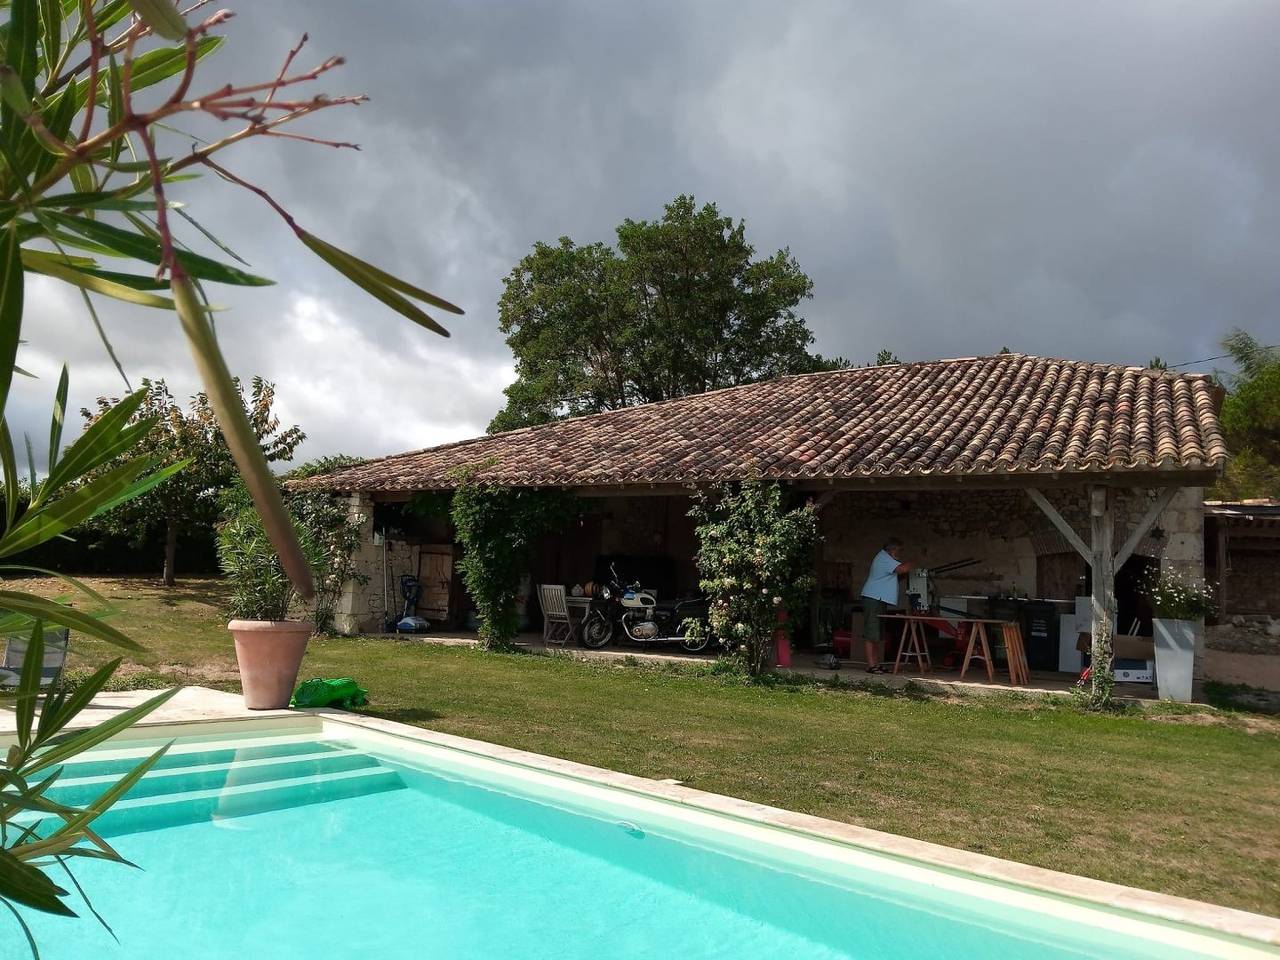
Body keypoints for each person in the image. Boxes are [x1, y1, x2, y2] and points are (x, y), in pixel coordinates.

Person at [859, 537, 913, 673]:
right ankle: (871, 665)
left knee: (877, 634)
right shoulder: (883, 558)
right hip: (873, 598)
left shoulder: (887, 560)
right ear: (892, 549)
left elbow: (895, 576)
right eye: (899, 550)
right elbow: (903, 569)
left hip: (879, 599)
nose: (900, 553)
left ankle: (876, 664)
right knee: (871, 632)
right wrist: (913, 562)